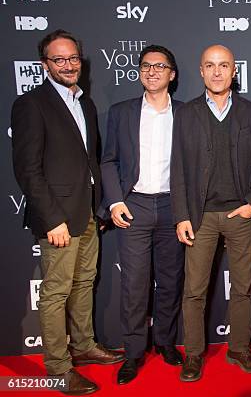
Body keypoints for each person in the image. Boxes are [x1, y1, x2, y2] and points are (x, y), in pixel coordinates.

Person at [11, 29, 124, 395]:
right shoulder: (31, 104)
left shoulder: (85, 103)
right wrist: (52, 218)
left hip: (88, 212)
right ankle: (59, 368)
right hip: (58, 217)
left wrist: (100, 206)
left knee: (84, 283)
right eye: (59, 59)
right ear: (45, 64)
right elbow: (28, 169)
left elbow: (88, 160)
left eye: (73, 58)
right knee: (57, 291)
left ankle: (85, 345)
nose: (69, 65)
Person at [170, 44, 251, 381]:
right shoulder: (185, 113)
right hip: (200, 217)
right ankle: (194, 354)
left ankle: (239, 349)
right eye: (210, 66)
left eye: (223, 65)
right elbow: (178, 167)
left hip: (240, 215)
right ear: (200, 71)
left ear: (234, 71)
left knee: (242, 288)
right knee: (194, 290)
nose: (216, 72)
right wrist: (181, 214)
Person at [98, 45, 185, 384]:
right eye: (146, 65)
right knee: (134, 285)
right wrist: (116, 201)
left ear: (171, 74)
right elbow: (108, 160)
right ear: (139, 72)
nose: (152, 71)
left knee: (170, 280)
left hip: (172, 206)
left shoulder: (186, 114)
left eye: (160, 66)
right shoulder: (121, 112)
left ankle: (165, 342)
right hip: (132, 205)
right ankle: (133, 353)